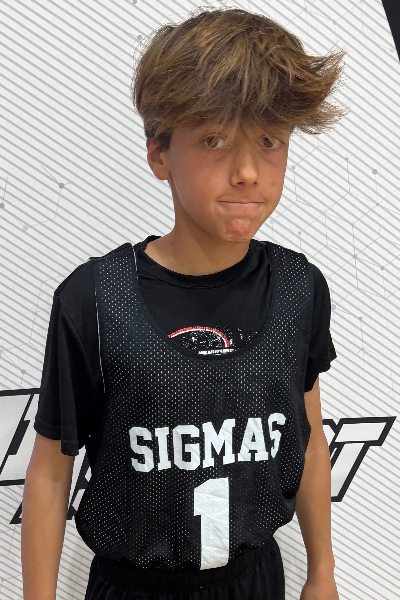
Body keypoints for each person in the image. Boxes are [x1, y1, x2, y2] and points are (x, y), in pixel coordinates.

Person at [21, 7, 348, 600]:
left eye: (269, 141)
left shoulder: (298, 287)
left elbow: (308, 437)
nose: (247, 171)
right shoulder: (93, 299)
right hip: (133, 585)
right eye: (214, 140)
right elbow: (49, 472)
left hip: (255, 580)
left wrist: (322, 569)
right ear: (159, 153)